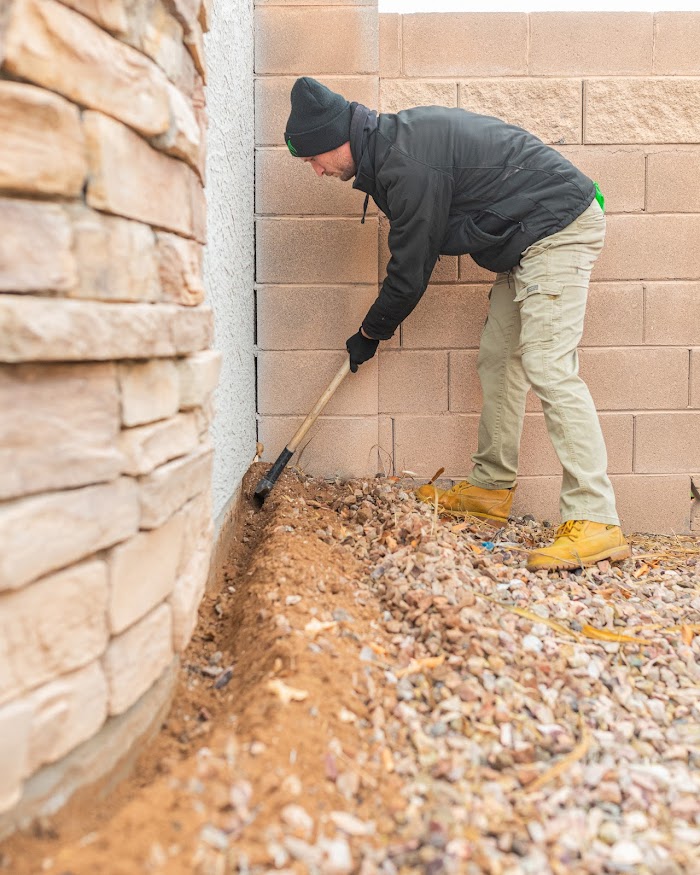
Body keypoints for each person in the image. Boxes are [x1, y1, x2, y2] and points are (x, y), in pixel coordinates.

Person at [284, 76, 631, 572]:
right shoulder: (390, 151)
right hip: (526, 239)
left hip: (558, 226)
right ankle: (490, 488)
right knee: (498, 361)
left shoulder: (405, 160)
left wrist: (369, 333)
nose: (316, 170)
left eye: (313, 158)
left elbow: (410, 271)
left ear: (335, 139)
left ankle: (596, 518)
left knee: (548, 364)